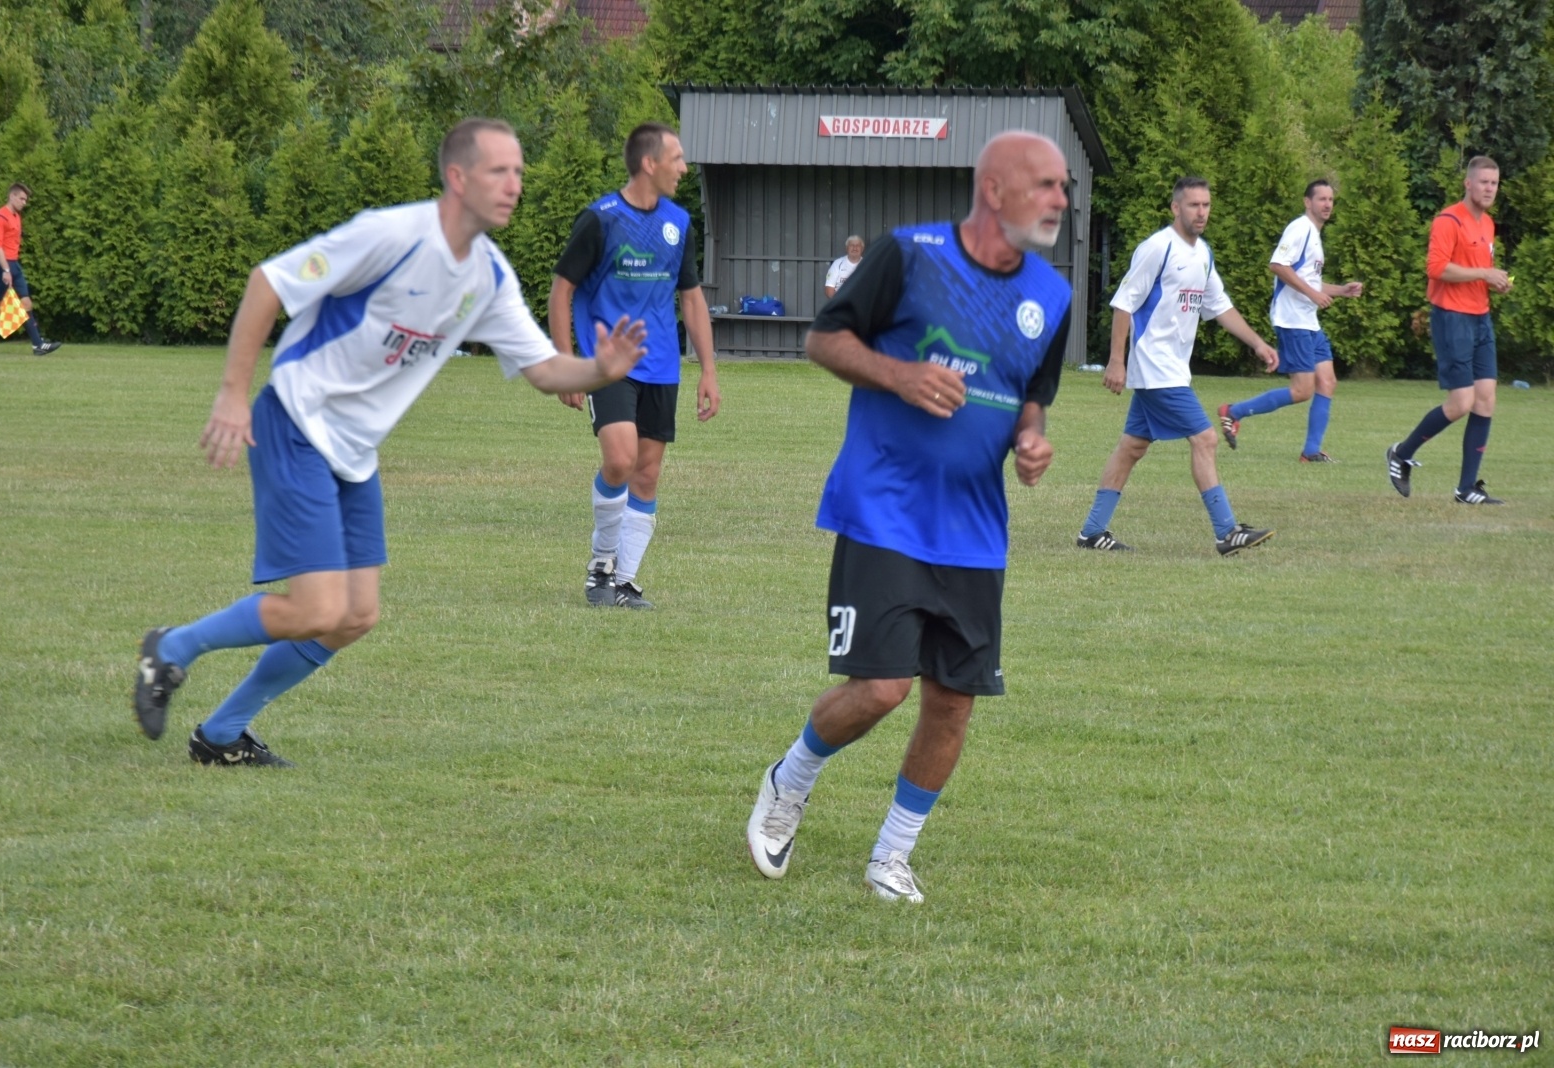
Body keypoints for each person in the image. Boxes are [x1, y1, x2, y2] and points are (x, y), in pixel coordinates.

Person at [131, 118, 646, 766]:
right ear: (457, 178)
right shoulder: (392, 235)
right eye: (499, 171)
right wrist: (233, 394)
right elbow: (269, 283)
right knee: (319, 607)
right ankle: (172, 649)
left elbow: (544, 369)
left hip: (354, 452)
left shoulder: (487, 277)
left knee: (355, 616)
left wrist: (601, 370)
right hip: (297, 420)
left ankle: (223, 734)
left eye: (519, 171)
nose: (515, 184)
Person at [745, 131, 1072, 904]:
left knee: (951, 703)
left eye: (1065, 187)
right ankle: (789, 781)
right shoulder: (909, 254)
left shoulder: (1051, 297)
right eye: (1047, 185)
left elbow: (1035, 392)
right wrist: (899, 374)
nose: (1061, 200)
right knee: (883, 686)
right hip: (883, 506)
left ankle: (891, 856)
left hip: (976, 530)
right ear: (994, 190)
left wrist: (1031, 438)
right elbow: (823, 340)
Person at [550, 122, 720, 611]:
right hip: (608, 360)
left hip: (662, 364)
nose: (685, 168)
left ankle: (624, 581)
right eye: (678, 158)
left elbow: (691, 299)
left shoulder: (679, 223)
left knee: (646, 474)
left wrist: (708, 369)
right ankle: (600, 565)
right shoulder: (600, 220)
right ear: (650, 163)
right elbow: (562, 291)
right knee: (620, 459)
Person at [1076, 176, 1279, 556]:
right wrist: (1116, 361)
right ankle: (1227, 531)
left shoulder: (1203, 254)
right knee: (1205, 438)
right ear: (1175, 208)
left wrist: (1257, 343)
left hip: (1170, 369)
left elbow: (1219, 307)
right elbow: (1124, 302)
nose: (1201, 212)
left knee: (1131, 448)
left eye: (1206, 205)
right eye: (1193, 205)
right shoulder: (1158, 248)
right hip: (1155, 368)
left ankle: (1091, 532)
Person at [1387, 156, 1513, 505]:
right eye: (1483, 182)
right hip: (1452, 319)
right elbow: (1436, 268)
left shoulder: (1487, 224)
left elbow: (1475, 271)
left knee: (1486, 399)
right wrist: (1484, 274)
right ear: (1468, 184)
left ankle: (1466, 488)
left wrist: (1493, 281)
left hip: (1480, 317)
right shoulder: (1448, 220)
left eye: (1494, 183)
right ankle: (1401, 453)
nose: (1489, 188)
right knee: (1461, 403)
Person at [1216, 180, 1363, 462]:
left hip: (1308, 322)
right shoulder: (1300, 228)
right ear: (1307, 202)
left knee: (1327, 382)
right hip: (1292, 320)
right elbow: (1278, 265)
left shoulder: (1314, 236)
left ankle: (1310, 452)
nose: (1327, 204)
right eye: (1321, 198)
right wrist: (1312, 293)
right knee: (1302, 390)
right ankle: (1233, 412)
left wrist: (1341, 290)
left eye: (1331, 199)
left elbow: (1310, 281)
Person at [0, 183, 63, 357]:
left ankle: (38, 345)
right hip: (1, 265)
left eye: (25, 200)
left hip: (14, 264)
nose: (24, 202)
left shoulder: (16, 217)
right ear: (12, 196)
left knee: (26, 302)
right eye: (21, 198)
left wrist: (12, 268)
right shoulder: (0, 216)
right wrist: (5, 269)